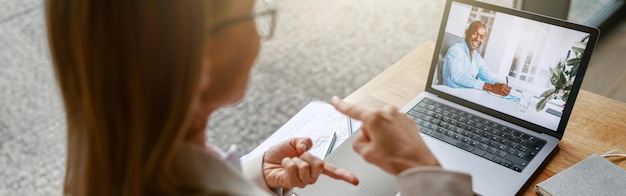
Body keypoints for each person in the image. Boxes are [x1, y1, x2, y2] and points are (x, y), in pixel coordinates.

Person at [45, 0, 472, 195]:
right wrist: (420, 169)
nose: (256, 34)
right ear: (197, 57)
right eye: (249, 12)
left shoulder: (113, 165)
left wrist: (253, 176)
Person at [443, 21, 511, 96]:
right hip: (450, 95)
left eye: (482, 37)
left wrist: (501, 86)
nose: (478, 39)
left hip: (467, 96)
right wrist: (490, 87)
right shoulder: (456, 50)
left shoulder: (477, 57)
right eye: (475, 34)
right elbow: (457, 77)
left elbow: (489, 78)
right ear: (467, 32)